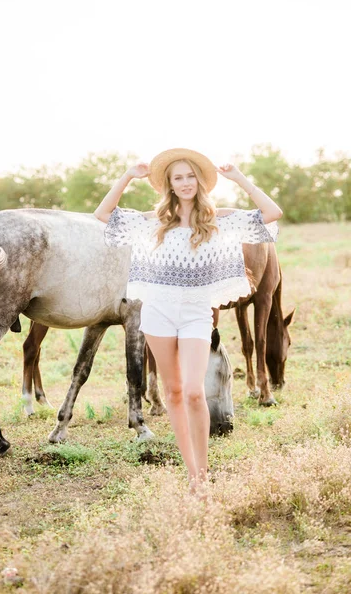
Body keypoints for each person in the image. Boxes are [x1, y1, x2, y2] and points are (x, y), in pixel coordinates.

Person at [94, 148, 282, 492]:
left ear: (200, 180)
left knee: (194, 392)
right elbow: (103, 213)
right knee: (174, 393)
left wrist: (239, 178)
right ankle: (193, 476)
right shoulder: (154, 221)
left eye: (190, 176)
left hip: (197, 313)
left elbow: (272, 213)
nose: (185, 183)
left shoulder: (218, 219)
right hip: (158, 313)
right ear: (169, 183)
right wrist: (127, 176)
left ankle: (203, 472)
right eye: (178, 177)